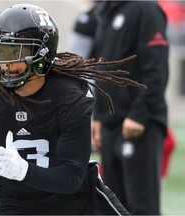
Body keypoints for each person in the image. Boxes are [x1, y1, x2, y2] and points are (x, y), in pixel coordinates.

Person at [0, 4, 147, 215]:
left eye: (15, 53)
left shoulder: (70, 97)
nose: (6, 64)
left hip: (76, 199)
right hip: (13, 200)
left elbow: (72, 179)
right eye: (2, 52)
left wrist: (22, 171)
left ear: (42, 55)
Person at [91, 1, 169, 215]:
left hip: (138, 125)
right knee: (112, 207)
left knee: (141, 208)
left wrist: (139, 114)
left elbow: (156, 68)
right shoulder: (106, 10)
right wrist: (98, 115)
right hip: (110, 124)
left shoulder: (146, 9)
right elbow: (102, 67)